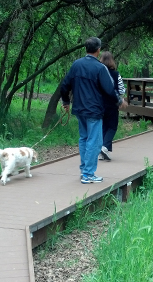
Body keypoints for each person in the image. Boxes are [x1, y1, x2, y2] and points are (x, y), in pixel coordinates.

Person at [60, 37, 127, 184]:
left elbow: (64, 85)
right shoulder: (100, 68)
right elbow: (109, 89)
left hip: (79, 109)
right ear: (98, 50)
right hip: (94, 110)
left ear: (86, 49)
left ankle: (84, 169)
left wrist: (65, 102)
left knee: (84, 138)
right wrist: (119, 100)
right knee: (95, 142)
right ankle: (88, 174)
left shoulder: (76, 65)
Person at [98, 51, 126, 161]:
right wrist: (120, 99)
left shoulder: (98, 74)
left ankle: (101, 153)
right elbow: (121, 89)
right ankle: (104, 148)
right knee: (112, 127)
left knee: (103, 127)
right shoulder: (115, 74)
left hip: (100, 104)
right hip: (112, 104)